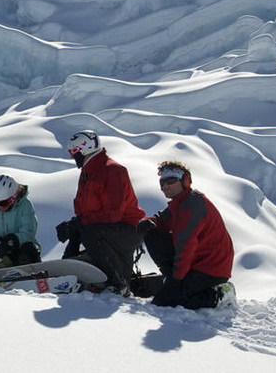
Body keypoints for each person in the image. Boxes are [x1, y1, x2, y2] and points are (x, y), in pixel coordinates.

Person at [56, 130, 145, 295]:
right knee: (79, 229)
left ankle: (118, 284)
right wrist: (74, 225)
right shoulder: (88, 172)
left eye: (74, 152)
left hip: (127, 228)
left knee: (89, 231)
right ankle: (66, 269)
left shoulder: (112, 171)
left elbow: (114, 214)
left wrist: (81, 222)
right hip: (107, 229)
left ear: (85, 150)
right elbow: (85, 210)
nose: (72, 157)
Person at [137, 160, 236, 309]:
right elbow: (161, 221)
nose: (165, 186)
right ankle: (174, 282)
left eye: (170, 181)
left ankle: (219, 295)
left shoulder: (192, 206)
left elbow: (186, 245)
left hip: (211, 270)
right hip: (195, 265)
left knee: (165, 302)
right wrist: (146, 222)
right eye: (162, 182)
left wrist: (176, 280)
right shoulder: (180, 203)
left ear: (185, 181)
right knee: (151, 232)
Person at [0, 174, 42, 269]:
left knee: (28, 248)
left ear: (14, 197)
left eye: (4, 203)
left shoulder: (25, 206)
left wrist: (11, 241)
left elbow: (28, 232)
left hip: (19, 249)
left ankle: (31, 274)